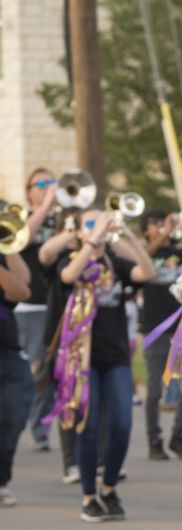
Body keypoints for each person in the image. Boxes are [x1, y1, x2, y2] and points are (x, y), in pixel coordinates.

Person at [44, 207, 154, 521]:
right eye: (90, 223)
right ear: (78, 232)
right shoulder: (72, 259)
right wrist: (92, 241)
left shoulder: (114, 263)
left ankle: (109, 488)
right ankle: (89, 496)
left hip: (116, 356)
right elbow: (68, 276)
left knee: (121, 424)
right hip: (82, 359)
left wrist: (128, 235)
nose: (100, 226)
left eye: (102, 221)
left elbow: (146, 273)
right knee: (87, 427)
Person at [139, 209, 182, 461]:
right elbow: (145, 256)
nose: (162, 227)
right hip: (155, 327)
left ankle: (178, 436)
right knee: (154, 389)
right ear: (146, 230)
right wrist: (163, 235)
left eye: (164, 222)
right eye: (156, 224)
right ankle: (154, 440)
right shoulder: (144, 253)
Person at [16, 168, 58, 455]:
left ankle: (41, 428)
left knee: (50, 370)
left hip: (56, 304)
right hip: (28, 306)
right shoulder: (20, 217)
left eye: (51, 183)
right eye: (41, 184)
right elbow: (23, 238)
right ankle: (28, 423)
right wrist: (44, 207)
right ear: (30, 191)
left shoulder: (63, 220)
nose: (47, 188)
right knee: (31, 369)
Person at [0, 244, 30, 506]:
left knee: (13, 418)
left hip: (8, 352)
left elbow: (23, 289)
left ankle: (1, 481)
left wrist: (7, 245)